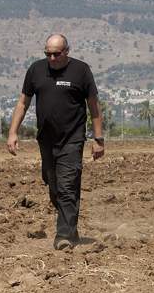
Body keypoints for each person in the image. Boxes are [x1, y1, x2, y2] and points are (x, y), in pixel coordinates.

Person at [7, 34, 105, 250]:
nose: (51, 58)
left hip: (73, 139)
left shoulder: (81, 71)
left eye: (56, 54)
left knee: (68, 186)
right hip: (46, 140)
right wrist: (12, 132)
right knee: (55, 189)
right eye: (47, 54)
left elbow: (94, 106)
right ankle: (71, 229)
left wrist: (99, 139)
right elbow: (23, 102)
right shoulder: (35, 70)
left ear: (67, 51)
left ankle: (63, 236)